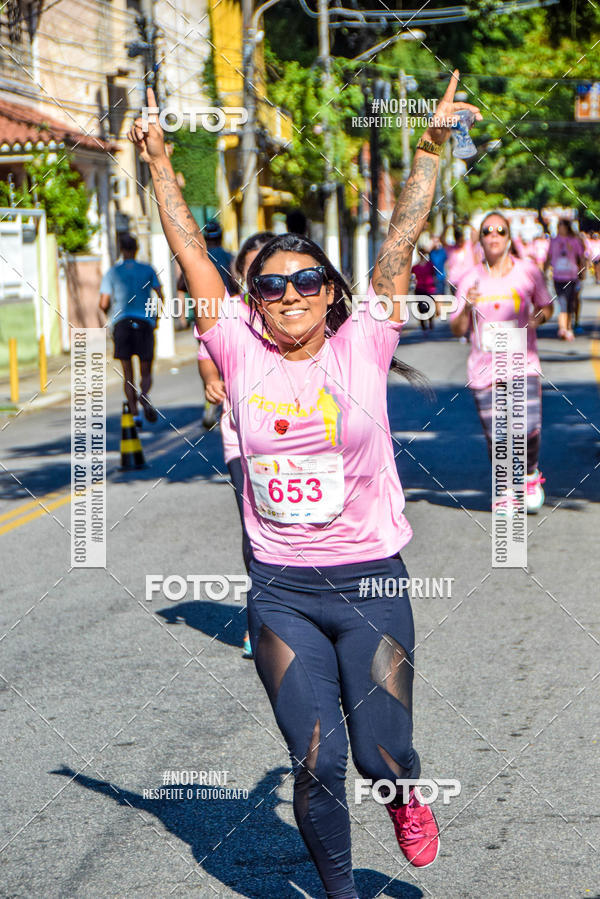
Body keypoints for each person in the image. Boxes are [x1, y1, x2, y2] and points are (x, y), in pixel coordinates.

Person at [130, 75, 480, 896]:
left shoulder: (360, 344)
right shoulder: (238, 350)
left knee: (378, 750)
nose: (288, 295)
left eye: (305, 283)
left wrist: (430, 146)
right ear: (254, 300)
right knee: (318, 757)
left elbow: (401, 235)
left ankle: (404, 791)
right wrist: (158, 162)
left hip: (371, 582)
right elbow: (188, 248)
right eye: (271, 285)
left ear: (330, 296)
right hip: (282, 590)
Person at [195, 231, 275, 658]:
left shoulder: (296, 309)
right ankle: (259, 621)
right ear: (242, 272)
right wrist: (210, 380)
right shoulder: (226, 313)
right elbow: (207, 353)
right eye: (253, 265)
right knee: (254, 530)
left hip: (299, 440)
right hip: (240, 442)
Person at [450, 211, 553, 514]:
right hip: (484, 368)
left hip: (523, 362)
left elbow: (546, 306)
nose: (493, 236)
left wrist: (538, 318)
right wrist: (466, 307)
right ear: (480, 238)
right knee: (498, 434)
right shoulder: (469, 279)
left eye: (500, 231)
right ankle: (505, 490)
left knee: (528, 428)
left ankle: (530, 473)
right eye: (487, 231)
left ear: (509, 238)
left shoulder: (528, 272)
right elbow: (456, 329)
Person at [99, 234, 163, 425]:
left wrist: (110, 312)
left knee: (127, 374)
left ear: (121, 250)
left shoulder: (112, 272)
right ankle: (144, 395)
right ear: (136, 249)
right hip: (144, 324)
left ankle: (135, 414)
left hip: (122, 324)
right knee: (146, 371)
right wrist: (155, 317)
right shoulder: (148, 269)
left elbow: (103, 302)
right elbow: (160, 295)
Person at [544, 219, 585, 341]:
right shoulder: (554, 241)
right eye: (558, 226)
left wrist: (582, 271)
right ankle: (563, 328)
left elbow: (581, 257)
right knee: (562, 302)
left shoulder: (574, 241)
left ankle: (569, 327)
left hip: (571, 276)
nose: (559, 228)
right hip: (558, 276)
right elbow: (549, 256)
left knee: (570, 302)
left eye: (561, 226)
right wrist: (544, 271)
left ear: (567, 228)